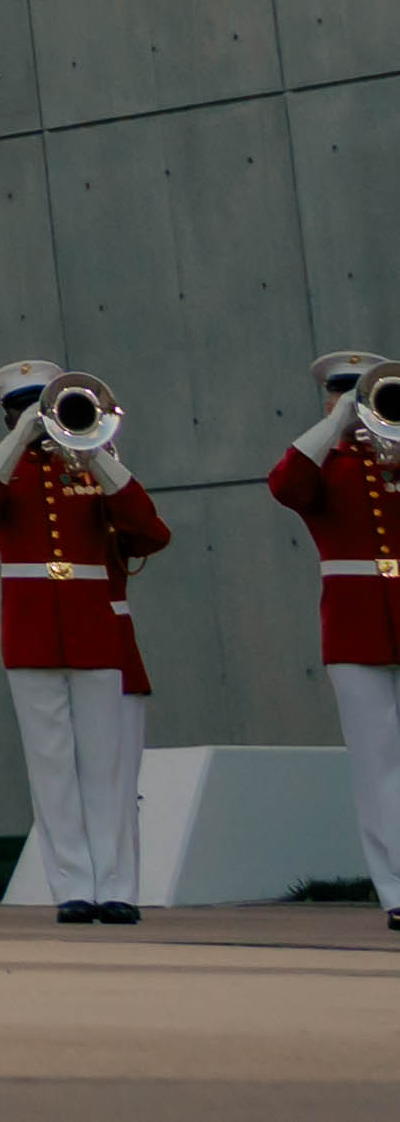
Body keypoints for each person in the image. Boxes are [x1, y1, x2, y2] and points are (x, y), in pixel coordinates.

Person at [0, 361, 167, 926]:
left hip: (93, 628)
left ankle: (117, 887)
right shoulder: (0, 469)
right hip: (30, 631)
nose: (40, 419)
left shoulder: (95, 467)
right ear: (9, 416)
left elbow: (151, 530)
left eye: (46, 408)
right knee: (51, 768)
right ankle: (73, 888)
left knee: (106, 767)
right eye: (24, 410)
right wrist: (21, 438)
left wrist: (96, 450)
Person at [273, 356, 396, 931]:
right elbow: (285, 483)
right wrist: (337, 425)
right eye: (342, 396)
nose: (353, 404)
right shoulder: (327, 464)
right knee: (377, 764)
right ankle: (396, 887)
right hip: (354, 625)